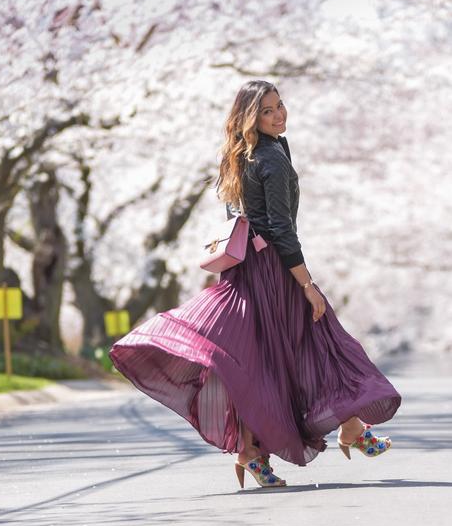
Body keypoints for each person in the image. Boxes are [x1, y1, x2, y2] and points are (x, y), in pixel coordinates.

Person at [109, 79, 402, 489]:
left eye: (280, 105)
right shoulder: (272, 158)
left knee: (263, 361)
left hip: (247, 269)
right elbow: (281, 229)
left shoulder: (241, 155)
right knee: (319, 342)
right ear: (251, 117)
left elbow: (240, 213)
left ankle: (262, 447)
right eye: (267, 110)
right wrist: (306, 284)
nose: (279, 114)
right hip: (273, 273)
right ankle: (343, 428)